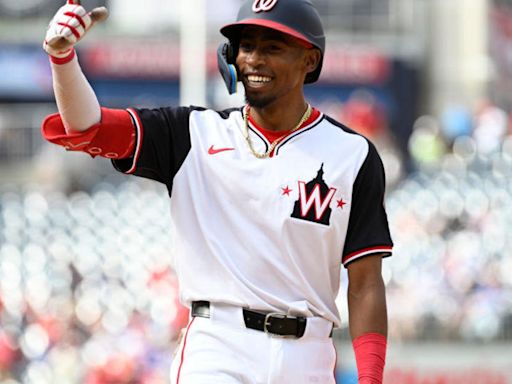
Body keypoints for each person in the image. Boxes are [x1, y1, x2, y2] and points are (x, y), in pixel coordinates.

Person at [41, 0, 393, 383]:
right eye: (247, 45)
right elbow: (87, 126)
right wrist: (64, 59)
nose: (255, 59)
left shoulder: (352, 155)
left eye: (273, 47)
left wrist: (370, 378)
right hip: (218, 346)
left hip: (308, 354)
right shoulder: (193, 133)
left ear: (309, 60)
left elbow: (365, 282)